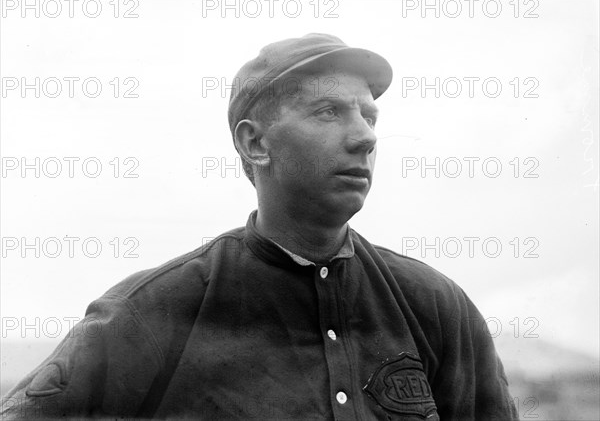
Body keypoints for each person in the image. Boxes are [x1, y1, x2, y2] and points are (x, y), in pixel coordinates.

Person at [1, 33, 518, 420]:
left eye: (369, 116)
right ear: (255, 144)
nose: (364, 137)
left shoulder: (436, 307)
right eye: (328, 112)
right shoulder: (152, 311)